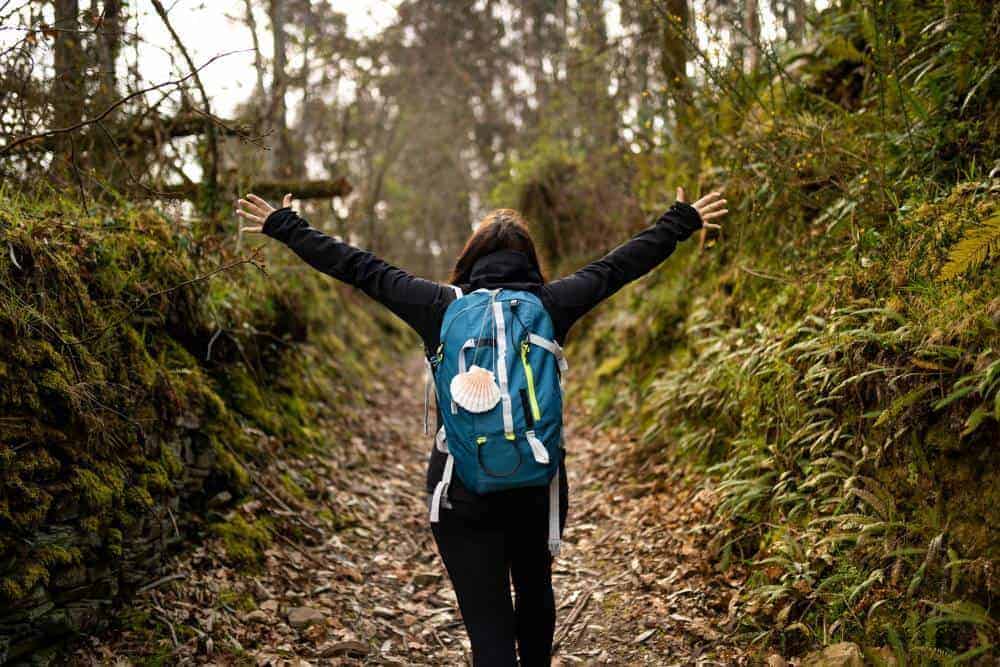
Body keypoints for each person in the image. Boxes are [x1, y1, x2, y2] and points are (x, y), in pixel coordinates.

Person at [236, 189, 728, 666]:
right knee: (534, 589)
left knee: (488, 632)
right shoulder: (552, 304)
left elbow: (363, 269)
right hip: (536, 480)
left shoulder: (439, 305)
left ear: (468, 260)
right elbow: (618, 267)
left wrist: (288, 228)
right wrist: (679, 222)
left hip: (460, 488)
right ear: (530, 261)